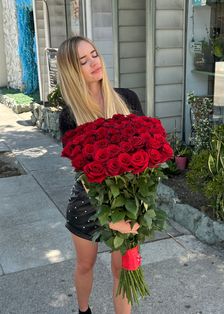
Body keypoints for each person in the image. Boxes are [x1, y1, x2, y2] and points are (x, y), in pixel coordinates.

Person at [57, 36, 144, 314]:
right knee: (86, 264)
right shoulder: (70, 115)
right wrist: (111, 218)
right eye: (83, 61)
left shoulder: (127, 98)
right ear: (73, 71)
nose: (94, 62)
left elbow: (145, 153)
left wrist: (135, 208)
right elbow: (83, 172)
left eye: (94, 54)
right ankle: (84, 311)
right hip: (87, 202)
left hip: (127, 201)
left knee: (123, 270)